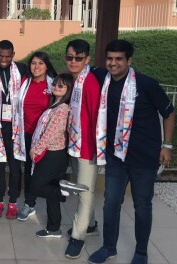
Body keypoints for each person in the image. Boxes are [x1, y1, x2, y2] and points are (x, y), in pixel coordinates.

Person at [88, 40, 175, 264]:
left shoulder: (146, 84)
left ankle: (141, 252)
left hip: (144, 157)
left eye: (119, 59)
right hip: (116, 157)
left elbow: (168, 113)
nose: (113, 63)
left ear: (129, 61)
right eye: (109, 58)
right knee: (110, 203)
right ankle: (109, 247)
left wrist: (167, 145)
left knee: (142, 205)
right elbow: (78, 70)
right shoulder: (101, 79)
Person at [62, 39, 101, 259]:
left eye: (79, 58)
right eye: (70, 57)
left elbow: (97, 118)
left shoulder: (91, 83)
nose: (73, 61)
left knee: (84, 194)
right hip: (75, 144)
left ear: (87, 59)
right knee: (79, 189)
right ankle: (91, 224)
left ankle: (78, 238)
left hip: (88, 148)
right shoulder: (74, 81)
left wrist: (97, 149)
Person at [0, 39, 28, 219]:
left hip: (16, 126)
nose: (4, 59)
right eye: (1, 55)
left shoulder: (22, 70)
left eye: (8, 56)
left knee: (15, 166)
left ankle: (13, 201)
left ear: (13, 55)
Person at [15, 51, 58, 221]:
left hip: (45, 137)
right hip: (25, 134)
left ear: (47, 65)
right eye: (33, 63)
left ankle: (53, 208)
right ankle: (29, 203)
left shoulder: (53, 85)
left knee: (46, 172)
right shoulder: (25, 82)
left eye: (41, 63)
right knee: (28, 171)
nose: (37, 66)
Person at [30, 73, 72, 238]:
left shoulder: (62, 108)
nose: (56, 87)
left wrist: (37, 149)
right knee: (51, 190)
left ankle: (63, 192)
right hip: (52, 153)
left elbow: (53, 132)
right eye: (54, 84)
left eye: (61, 86)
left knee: (36, 186)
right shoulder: (56, 104)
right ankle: (54, 228)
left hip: (53, 154)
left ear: (68, 89)